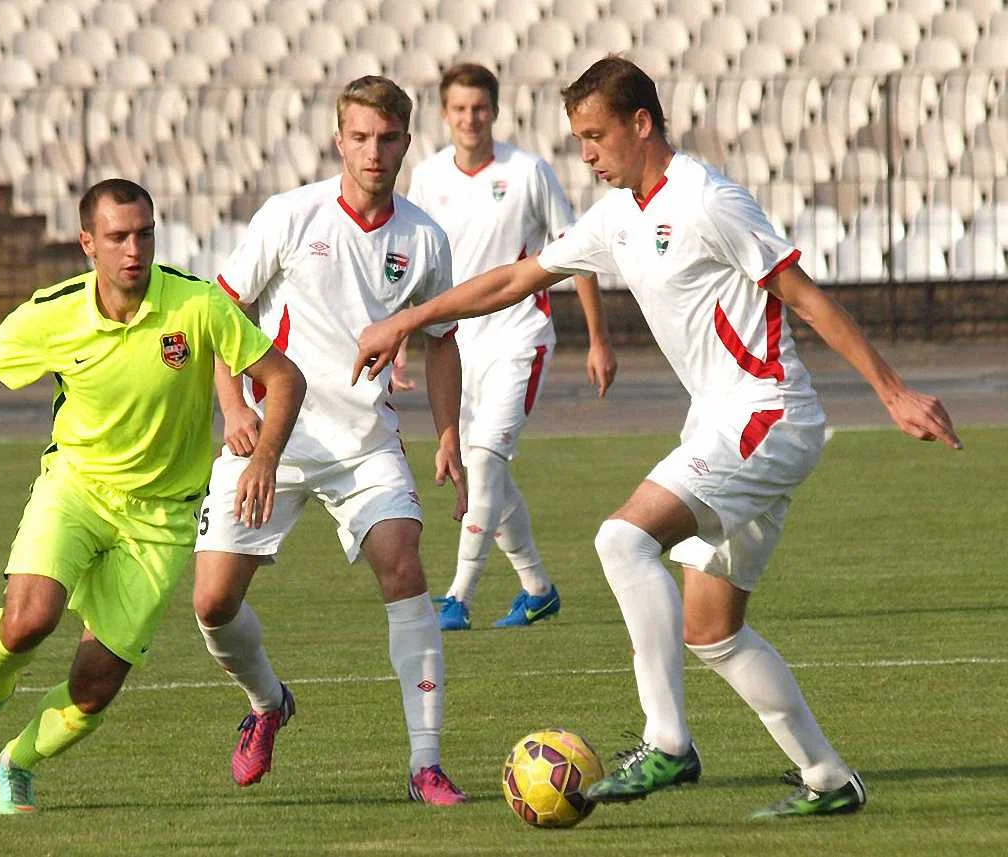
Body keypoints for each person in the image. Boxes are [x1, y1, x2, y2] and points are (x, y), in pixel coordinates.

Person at [352, 57, 962, 819]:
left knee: (621, 539)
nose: (586, 153)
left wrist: (893, 391)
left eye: (596, 135)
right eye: (578, 139)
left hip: (764, 413)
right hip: (722, 421)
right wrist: (409, 319)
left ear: (641, 124)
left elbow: (804, 296)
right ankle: (829, 778)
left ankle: (667, 741)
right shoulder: (617, 215)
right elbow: (515, 279)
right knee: (713, 631)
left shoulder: (708, 199)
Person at [0, 179, 305, 815]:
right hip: (75, 489)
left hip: (161, 517)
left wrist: (263, 457)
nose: (134, 249)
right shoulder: (53, 313)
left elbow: (285, 377)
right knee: (27, 622)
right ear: (88, 243)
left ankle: (17, 762)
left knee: (94, 688)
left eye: (144, 234)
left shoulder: (197, 305)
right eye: (118, 237)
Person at [192, 76, 468, 805]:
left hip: (363, 443)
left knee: (403, 565)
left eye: (388, 139)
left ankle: (426, 764)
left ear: (406, 143)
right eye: (361, 137)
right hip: (269, 440)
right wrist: (233, 407)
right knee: (213, 603)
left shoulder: (424, 238)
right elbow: (220, 311)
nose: (374, 152)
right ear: (338, 140)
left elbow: (442, 341)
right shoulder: (291, 215)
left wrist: (448, 433)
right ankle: (267, 702)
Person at [405, 63, 617, 631]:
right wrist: (402, 338)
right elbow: (412, 265)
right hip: (456, 348)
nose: (470, 118)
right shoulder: (426, 178)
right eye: (459, 108)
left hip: (519, 337)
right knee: (486, 475)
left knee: (483, 461)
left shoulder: (527, 172)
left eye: (479, 107)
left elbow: (577, 252)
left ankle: (459, 597)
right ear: (444, 115)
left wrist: (598, 339)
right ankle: (538, 589)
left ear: (495, 111)